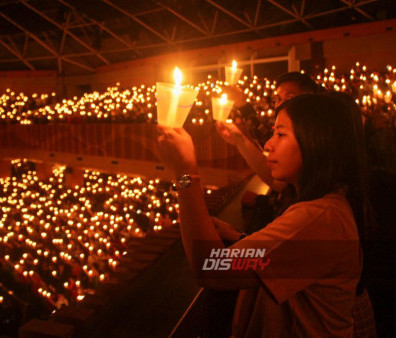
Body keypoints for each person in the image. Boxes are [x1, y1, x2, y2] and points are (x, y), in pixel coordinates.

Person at [156, 94, 371, 336]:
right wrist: (240, 239)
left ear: (317, 141)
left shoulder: (320, 218)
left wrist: (184, 172)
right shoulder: (328, 206)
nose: (268, 144)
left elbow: (210, 268)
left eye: (280, 134)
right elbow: (288, 257)